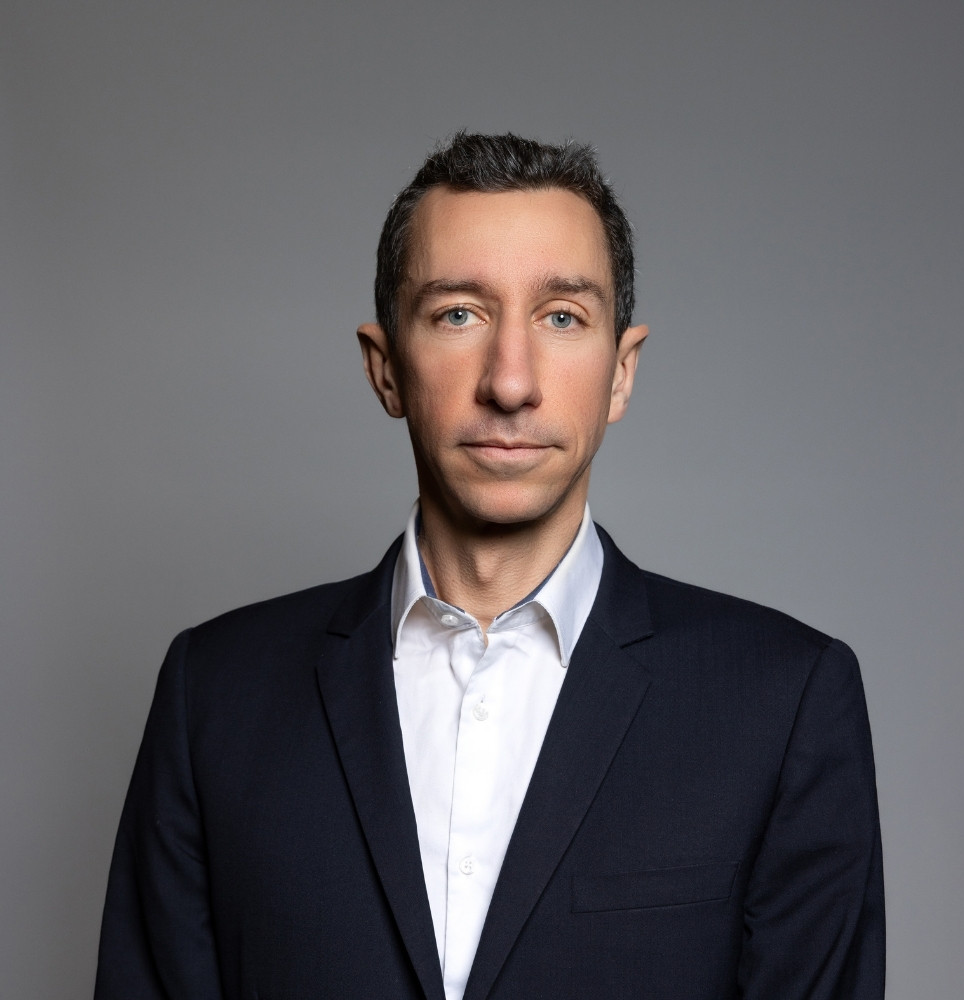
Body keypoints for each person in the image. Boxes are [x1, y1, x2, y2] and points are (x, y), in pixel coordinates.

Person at [95, 132, 884, 999]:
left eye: (562, 317)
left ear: (621, 373)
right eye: (458, 314)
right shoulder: (213, 697)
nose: (511, 383)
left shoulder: (784, 701)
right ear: (385, 367)